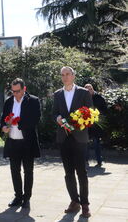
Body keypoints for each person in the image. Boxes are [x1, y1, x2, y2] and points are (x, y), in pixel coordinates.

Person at [54, 66, 93, 218]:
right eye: (62, 75)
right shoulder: (57, 94)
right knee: (68, 173)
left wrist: (78, 122)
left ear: (73, 76)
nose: (65, 77)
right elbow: (54, 113)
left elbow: (90, 113)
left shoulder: (83, 92)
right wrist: (57, 118)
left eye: (67, 74)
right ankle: (74, 201)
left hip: (79, 138)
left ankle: (85, 204)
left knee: (82, 172)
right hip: (64, 138)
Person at [0, 78, 41, 209]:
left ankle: (27, 198)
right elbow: (2, 120)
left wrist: (18, 123)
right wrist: (3, 128)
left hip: (27, 142)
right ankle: (18, 196)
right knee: (14, 170)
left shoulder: (33, 101)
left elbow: (35, 119)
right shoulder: (8, 101)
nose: (15, 94)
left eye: (17, 91)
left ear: (24, 89)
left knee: (28, 171)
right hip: (13, 142)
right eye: (13, 91)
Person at [84, 84, 108, 167]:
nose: (88, 91)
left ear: (92, 89)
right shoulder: (83, 98)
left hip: (96, 125)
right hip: (86, 124)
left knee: (96, 144)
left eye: (90, 89)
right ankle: (85, 161)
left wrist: (96, 115)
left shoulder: (99, 98)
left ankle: (99, 161)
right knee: (85, 143)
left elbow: (105, 110)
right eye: (86, 90)